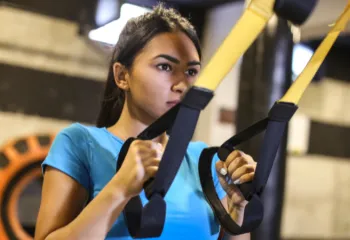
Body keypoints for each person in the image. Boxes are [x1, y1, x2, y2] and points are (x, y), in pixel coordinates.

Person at [35, 4, 256, 240]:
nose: (182, 85)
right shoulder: (81, 144)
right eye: (164, 66)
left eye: (191, 72)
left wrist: (238, 206)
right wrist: (119, 189)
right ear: (122, 76)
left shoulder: (205, 161)